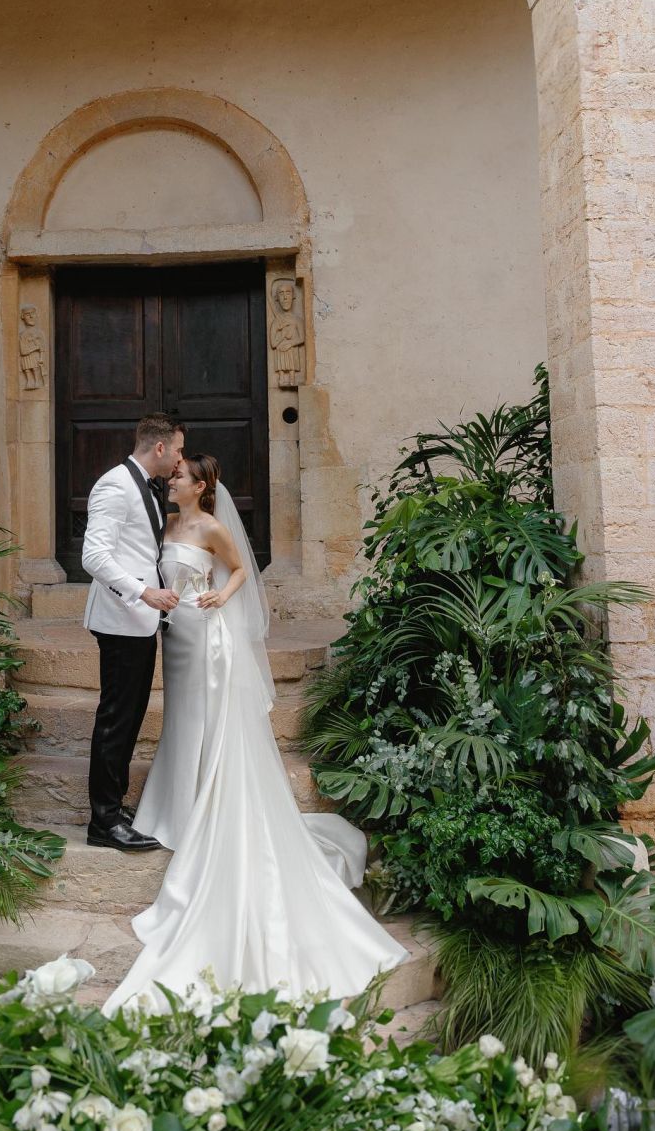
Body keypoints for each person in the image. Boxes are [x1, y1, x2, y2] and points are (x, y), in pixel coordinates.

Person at [107, 454, 409, 1010]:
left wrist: (221, 595)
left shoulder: (212, 526)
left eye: (178, 476)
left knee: (206, 721)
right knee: (180, 720)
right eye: (169, 475)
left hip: (205, 635)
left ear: (200, 486)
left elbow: (242, 569)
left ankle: (205, 800)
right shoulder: (166, 521)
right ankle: (177, 801)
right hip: (172, 635)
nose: (169, 480)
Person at [81, 413, 185, 852]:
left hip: (140, 623)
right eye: (178, 449)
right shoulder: (114, 485)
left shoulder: (143, 484)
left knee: (129, 718)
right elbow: (93, 556)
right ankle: (103, 822)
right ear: (159, 448)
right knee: (116, 721)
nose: (180, 458)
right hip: (122, 622)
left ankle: (112, 809)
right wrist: (143, 593)